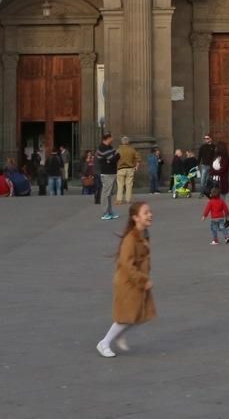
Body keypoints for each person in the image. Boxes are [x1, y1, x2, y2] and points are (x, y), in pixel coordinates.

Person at [95, 200, 156, 358]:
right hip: (128, 282)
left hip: (138, 281)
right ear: (135, 217)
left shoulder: (143, 233)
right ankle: (104, 342)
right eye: (145, 213)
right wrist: (143, 280)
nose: (150, 215)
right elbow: (127, 265)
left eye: (149, 212)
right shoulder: (130, 239)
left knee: (141, 315)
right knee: (126, 317)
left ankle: (118, 335)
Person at [96, 134, 120, 219]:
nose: (112, 139)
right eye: (111, 137)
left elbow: (117, 156)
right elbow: (113, 158)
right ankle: (105, 213)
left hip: (112, 171)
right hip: (106, 173)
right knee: (106, 193)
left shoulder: (110, 147)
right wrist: (112, 158)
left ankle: (110, 212)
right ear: (107, 139)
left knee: (109, 193)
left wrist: (112, 158)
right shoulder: (102, 148)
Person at [115, 135, 140, 208]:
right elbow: (138, 159)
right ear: (128, 142)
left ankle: (119, 199)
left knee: (120, 185)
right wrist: (136, 167)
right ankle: (128, 199)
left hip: (120, 169)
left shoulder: (118, 150)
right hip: (130, 169)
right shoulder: (132, 149)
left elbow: (114, 159)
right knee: (129, 185)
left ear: (122, 142)